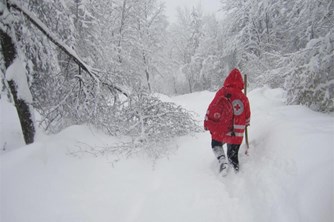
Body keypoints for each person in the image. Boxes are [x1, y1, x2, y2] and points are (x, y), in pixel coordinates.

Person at [204, 68, 251, 175]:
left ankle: (222, 160)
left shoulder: (222, 92)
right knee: (233, 154)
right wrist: (246, 123)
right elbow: (247, 116)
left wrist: (207, 122)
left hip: (221, 128)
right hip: (236, 131)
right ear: (241, 83)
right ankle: (236, 174)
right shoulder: (243, 97)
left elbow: (212, 107)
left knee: (216, 144)